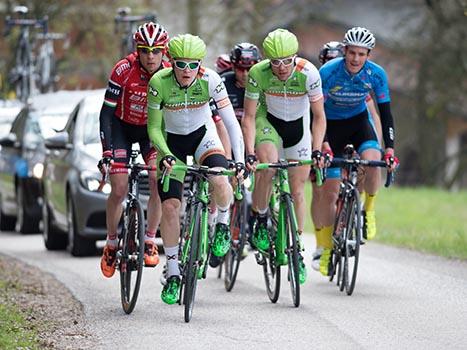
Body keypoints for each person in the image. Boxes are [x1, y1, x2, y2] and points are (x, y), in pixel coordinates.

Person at [147, 34, 245, 304]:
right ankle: (175, 272)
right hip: (172, 144)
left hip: (204, 136)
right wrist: (164, 154)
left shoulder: (211, 80)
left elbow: (231, 123)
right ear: (171, 62)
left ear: (200, 64)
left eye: (193, 65)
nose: (187, 71)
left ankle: (222, 223)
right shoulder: (158, 83)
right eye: (181, 64)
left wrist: (239, 158)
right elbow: (154, 128)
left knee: (219, 179)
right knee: (170, 207)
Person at [242, 28, 327, 285]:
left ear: (295, 57)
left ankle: (296, 249)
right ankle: (259, 216)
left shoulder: (309, 73)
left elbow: (320, 116)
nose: (281, 67)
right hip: (268, 123)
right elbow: (248, 117)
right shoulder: (258, 73)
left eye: (286, 61)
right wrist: (248, 153)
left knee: (298, 190)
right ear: (268, 60)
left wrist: (317, 149)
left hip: (298, 128)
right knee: (266, 168)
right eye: (275, 62)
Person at [316, 27, 398, 276]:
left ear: (368, 55)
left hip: (359, 123)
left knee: (372, 163)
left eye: (362, 54)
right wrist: (324, 143)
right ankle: (327, 248)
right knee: (329, 192)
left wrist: (390, 149)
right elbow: (315, 112)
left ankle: (368, 209)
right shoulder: (328, 72)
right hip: (331, 127)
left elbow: (385, 114)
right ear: (344, 51)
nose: (355, 59)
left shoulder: (376, 75)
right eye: (352, 53)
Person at [98, 22, 169, 278]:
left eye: (156, 50)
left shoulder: (171, 72)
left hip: (151, 132)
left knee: (157, 179)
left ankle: (150, 239)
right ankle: (112, 241)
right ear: (137, 50)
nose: (150, 56)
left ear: (164, 51)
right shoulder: (123, 69)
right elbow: (106, 113)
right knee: (118, 187)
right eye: (145, 50)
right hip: (122, 128)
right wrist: (107, 152)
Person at [208, 42, 262, 268]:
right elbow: (221, 124)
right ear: (233, 66)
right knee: (224, 175)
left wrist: (253, 154)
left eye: (250, 68)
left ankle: (259, 220)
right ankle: (216, 223)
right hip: (226, 134)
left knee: (264, 168)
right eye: (240, 68)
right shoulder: (223, 83)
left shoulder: (261, 84)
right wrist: (231, 160)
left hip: (253, 135)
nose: (246, 74)